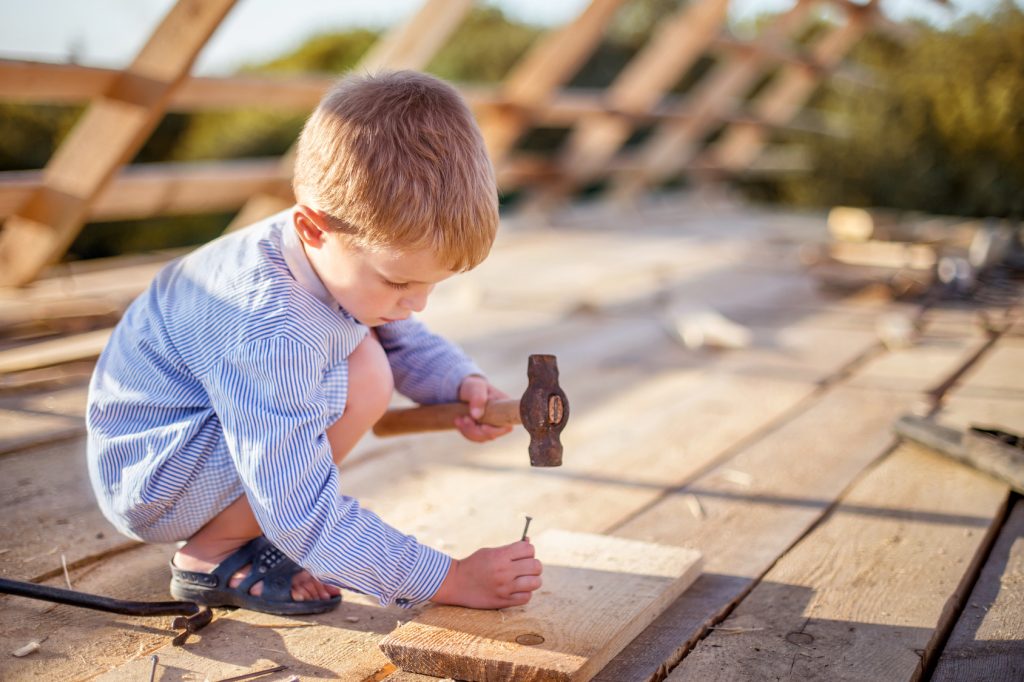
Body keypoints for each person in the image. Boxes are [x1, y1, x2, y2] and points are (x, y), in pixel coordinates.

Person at [86, 70, 543, 616]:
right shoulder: (271, 329)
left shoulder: (336, 242)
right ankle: (212, 552)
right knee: (365, 372)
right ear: (314, 229)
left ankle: (236, 532)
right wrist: (446, 579)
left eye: (433, 284)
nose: (417, 301)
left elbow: (400, 332)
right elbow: (298, 503)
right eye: (400, 282)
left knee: (369, 350)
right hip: (156, 479)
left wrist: (459, 383)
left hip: (195, 442)